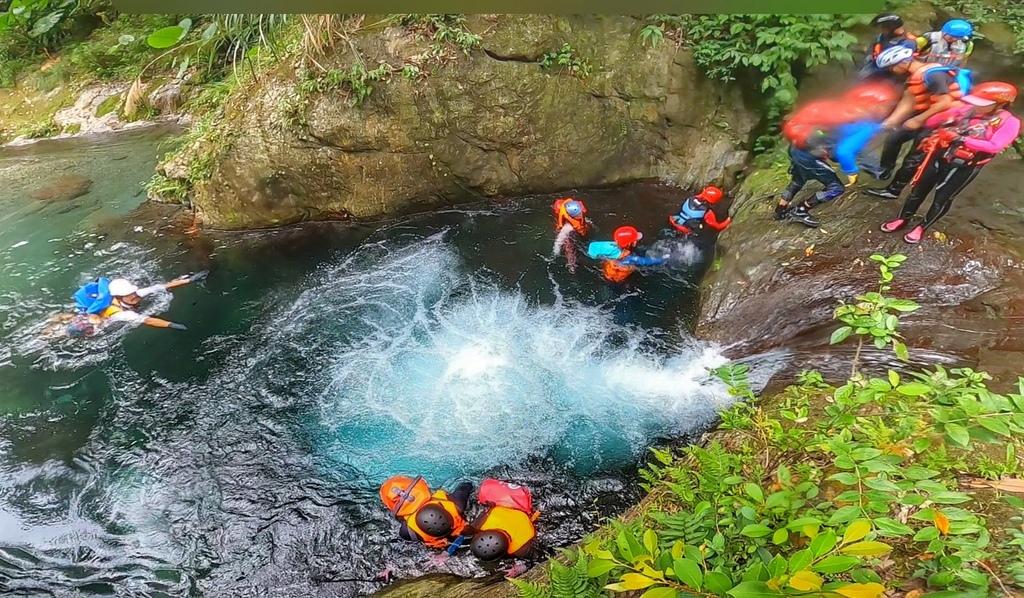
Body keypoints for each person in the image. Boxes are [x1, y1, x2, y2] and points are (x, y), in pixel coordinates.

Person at [879, 82, 1021, 244]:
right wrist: (941, 118)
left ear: (1001, 104)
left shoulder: (1009, 122)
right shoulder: (966, 110)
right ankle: (902, 218)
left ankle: (922, 226)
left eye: (981, 104)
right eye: (975, 101)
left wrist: (960, 138)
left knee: (943, 197)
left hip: (965, 165)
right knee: (918, 190)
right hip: (939, 156)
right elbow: (932, 121)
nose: (976, 106)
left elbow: (994, 146)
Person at [773, 81, 901, 228]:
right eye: (885, 105)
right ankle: (801, 210)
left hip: (796, 148)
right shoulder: (861, 123)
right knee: (835, 188)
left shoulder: (841, 110)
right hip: (808, 155)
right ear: (873, 105)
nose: (887, 109)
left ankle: (780, 211)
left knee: (798, 180)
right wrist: (851, 172)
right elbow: (844, 152)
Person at [864, 45, 969, 189]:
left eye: (892, 67)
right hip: (925, 113)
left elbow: (945, 102)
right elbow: (908, 101)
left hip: (941, 120)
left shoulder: (933, 75)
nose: (892, 71)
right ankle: (884, 171)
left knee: (914, 154)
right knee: (894, 138)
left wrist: (918, 120)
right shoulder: (912, 77)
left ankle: (895, 189)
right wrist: (892, 121)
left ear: (903, 63)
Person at [436, 479, 541, 579]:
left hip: (520, 518)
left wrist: (521, 568)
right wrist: (446, 553)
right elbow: (464, 535)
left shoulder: (521, 549)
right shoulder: (482, 523)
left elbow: (541, 558)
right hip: (508, 511)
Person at [68, 272, 206, 336]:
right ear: (119, 297)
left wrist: (189, 280)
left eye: (133, 292)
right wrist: (171, 325)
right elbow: (147, 320)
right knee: (67, 332)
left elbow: (160, 287)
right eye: (130, 295)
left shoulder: (133, 295)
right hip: (95, 323)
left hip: (97, 313)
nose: (135, 296)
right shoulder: (122, 315)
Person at [379, 476, 473, 549]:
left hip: (441, 547)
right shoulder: (456, 503)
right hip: (467, 534)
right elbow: (467, 485)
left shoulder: (407, 531)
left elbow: (400, 547)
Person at [585, 226, 667, 283]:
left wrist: (592, 256)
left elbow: (592, 245)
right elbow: (646, 261)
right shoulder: (629, 258)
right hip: (616, 280)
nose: (637, 240)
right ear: (629, 244)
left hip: (607, 271)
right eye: (635, 240)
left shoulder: (612, 246)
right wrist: (664, 258)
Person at [858, 12, 919, 82]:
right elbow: (870, 54)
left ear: (891, 27)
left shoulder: (909, 42)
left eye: (883, 28)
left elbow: (902, 66)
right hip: (873, 68)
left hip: (893, 75)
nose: (882, 30)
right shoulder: (881, 37)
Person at [552, 197, 589, 273]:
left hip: (578, 230)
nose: (580, 214)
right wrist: (556, 250)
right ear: (571, 216)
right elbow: (559, 239)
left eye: (580, 212)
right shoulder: (568, 227)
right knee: (570, 249)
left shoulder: (575, 207)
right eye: (578, 214)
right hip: (570, 235)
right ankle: (572, 266)